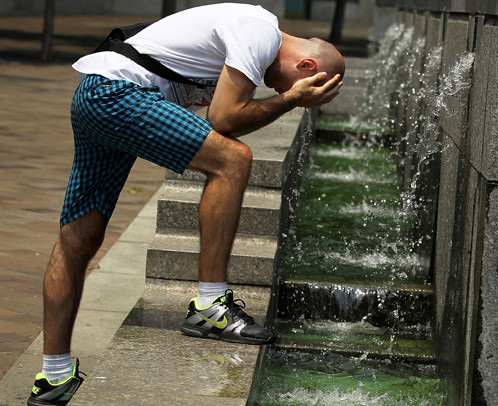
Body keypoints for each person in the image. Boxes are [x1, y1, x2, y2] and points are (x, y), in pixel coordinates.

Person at [27, 3, 344, 405]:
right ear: (306, 66)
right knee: (233, 160)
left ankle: (53, 377)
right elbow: (228, 120)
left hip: (96, 94)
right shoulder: (259, 32)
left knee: (78, 237)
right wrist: (290, 101)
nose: (281, 93)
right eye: (293, 87)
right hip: (117, 94)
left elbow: (212, 120)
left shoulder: (245, 36)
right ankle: (211, 305)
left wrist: (282, 100)